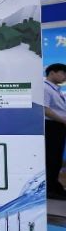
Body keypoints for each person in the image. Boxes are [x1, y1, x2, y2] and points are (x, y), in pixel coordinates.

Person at [44, 64, 66, 198]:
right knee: (51, 158)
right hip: (51, 126)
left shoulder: (56, 89)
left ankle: (55, 186)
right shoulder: (45, 88)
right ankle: (50, 190)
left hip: (58, 126)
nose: (65, 77)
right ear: (52, 73)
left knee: (56, 158)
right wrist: (63, 120)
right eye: (63, 73)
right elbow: (45, 109)